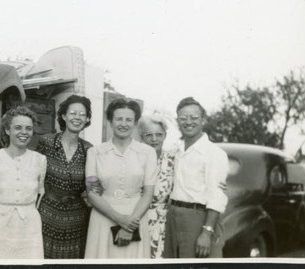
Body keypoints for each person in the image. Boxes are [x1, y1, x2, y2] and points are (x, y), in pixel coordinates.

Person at [84, 98, 157, 258]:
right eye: (118, 119)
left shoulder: (147, 152)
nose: (123, 124)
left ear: (135, 123)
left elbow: (148, 193)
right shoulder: (95, 152)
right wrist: (120, 219)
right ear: (110, 121)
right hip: (103, 218)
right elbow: (92, 193)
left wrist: (129, 225)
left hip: (135, 217)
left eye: (129, 119)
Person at [0, 106, 47, 259]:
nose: (24, 132)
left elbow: (40, 195)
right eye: (17, 127)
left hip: (29, 225)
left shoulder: (39, 160)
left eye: (28, 128)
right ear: (7, 130)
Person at [164, 97, 229, 258]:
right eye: (183, 118)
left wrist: (207, 232)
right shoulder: (175, 151)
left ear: (202, 120)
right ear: (177, 121)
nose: (188, 122)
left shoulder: (214, 153)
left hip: (199, 218)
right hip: (173, 217)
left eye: (194, 117)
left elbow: (216, 196)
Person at [36, 95, 93, 259]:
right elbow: (34, 176)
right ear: (63, 116)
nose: (77, 117)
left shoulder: (89, 149)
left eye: (82, 114)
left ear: (87, 119)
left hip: (77, 219)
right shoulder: (46, 142)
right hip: (47, 214)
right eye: (73, 113)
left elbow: (93, 186)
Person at [138, 114, 176, 259]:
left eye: (159, 134)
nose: (154, 139)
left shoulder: (173, 158)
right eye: (149, 135)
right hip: (137, 219)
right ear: (142, 136)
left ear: (165, 135)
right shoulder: (135, 158)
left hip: (163, 223)